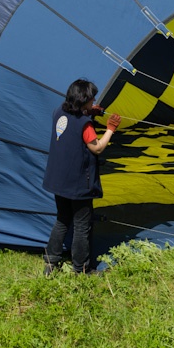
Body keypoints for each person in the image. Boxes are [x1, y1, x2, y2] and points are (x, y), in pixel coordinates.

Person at [42, 79, 121, 275]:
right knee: (81, 226)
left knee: (62, 220)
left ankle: (51, 262)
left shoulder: (59, 111)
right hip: (78, 184)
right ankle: (82, 269)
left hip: (58, 180)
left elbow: (72, 126)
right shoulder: (85, 125)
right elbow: (97, 147)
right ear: (84, 99)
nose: (95, 100)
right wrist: (110, 129)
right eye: (92, 97)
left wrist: (89, 113)